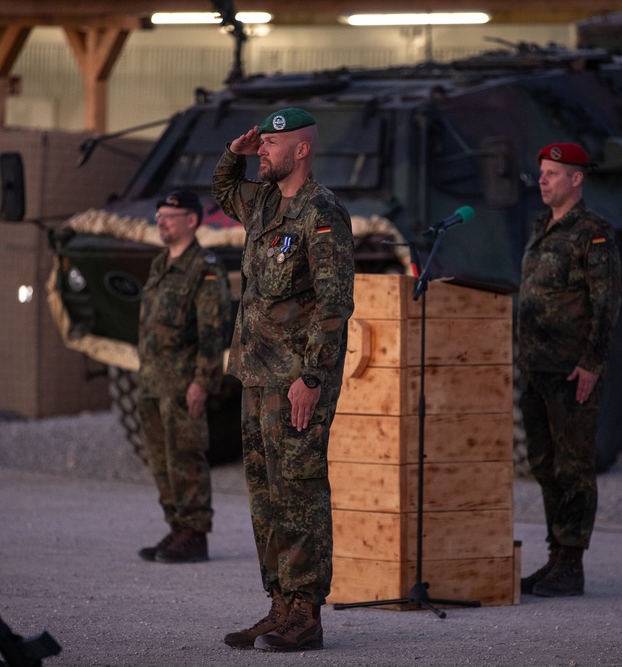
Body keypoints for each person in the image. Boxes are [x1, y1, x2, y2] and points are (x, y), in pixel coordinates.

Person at [212, 107, 354, 652]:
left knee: (300, 493)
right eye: (261, 143)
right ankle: (279, 605)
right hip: (256, 375)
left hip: (297, 380)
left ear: (303, 150)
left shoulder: (322, 213)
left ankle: (307, 614)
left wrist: (313, 377)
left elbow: (334, 304)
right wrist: (236, 151)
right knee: (266, 496)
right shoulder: (265, 203)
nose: (263, 150)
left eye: (273, 143)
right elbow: (224, 187)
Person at [518, 142, 621, 597]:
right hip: (535, 368)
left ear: (577, 179)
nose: (542, 180)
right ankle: (555, 555)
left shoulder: (593, 232)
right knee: (544, 464)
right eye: (541, 172)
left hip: (570, 371)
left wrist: (592, 364)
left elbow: (606, 304)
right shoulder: (542, 227)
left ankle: (572, 562)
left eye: (553, 173)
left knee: (573, 467)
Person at [136, 189, 231, 564]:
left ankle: (194, 534)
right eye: (158, 215)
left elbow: (213, 331)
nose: (160, 222)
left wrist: (202, 382)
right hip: (152, 382)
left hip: (181, 383)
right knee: (161, 459)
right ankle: (176, 526)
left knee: (186, 455)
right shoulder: (160, 264)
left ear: (191, 221)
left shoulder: (205, 268)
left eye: (168, 217)